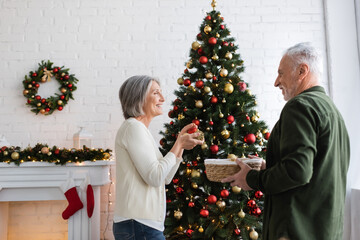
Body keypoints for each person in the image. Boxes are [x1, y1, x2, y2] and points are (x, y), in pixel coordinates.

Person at [222, 42, 350, 240]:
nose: (276, 82)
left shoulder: (299, 106)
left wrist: (251, 179)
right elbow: (315, 170)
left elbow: (297, 171)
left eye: (281, 73)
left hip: (295, 231)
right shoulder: (332, 112)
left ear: (302, 71)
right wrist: (270, 167)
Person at [113, 75, 203, 240]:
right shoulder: (133, 128)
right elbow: (155, 177)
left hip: (142, 224)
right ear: (139, 98)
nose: (162, 98)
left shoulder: (140, 130)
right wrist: (178, 144)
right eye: (156, 93)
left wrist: (180, 146)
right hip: (138, 224)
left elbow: (165, 177)